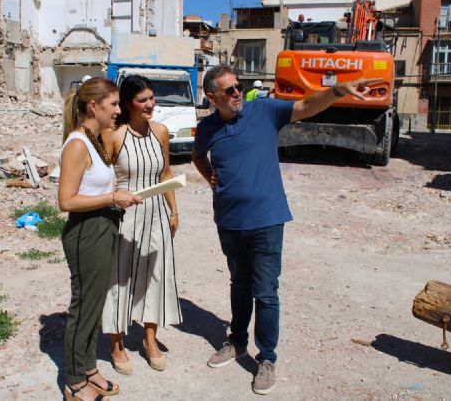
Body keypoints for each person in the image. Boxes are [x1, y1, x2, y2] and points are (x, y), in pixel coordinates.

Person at [192, 65, 381, 395]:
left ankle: (266, 358)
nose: (237, 92)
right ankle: (237, 341)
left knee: (265, 292)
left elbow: (306, 105)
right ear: (212, 97)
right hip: (229, 220)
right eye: (229, 89)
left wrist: (339, 89)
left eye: (238, 86)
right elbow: (197, 155)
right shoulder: (207, 127)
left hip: (266, 220)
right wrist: (211, 178)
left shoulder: (264, 111)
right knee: (239, 284)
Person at [58, 77, 142, 401]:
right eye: (114, 104)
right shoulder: (78, 144)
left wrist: (117, 196)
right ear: (93, 106)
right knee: (83, 308)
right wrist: (112, 198)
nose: (119, 110)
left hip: (102, 226)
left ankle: (88, 368)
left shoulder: (95, 139)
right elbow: (66, 201)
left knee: (94, 306)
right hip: (86, 231)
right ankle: (74, 382)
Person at [102, 75, 182, 375]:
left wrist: (174, 211)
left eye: (151, 98)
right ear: (127, 104)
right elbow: (102, 177)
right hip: (125, 215)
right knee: (119, 278)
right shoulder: (114, 135)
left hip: (157, 213)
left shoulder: (160, 131)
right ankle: (116, 343)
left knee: (155, 275)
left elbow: (166, 173)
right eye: (142, 100)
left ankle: (150, 339)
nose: (150, 104)